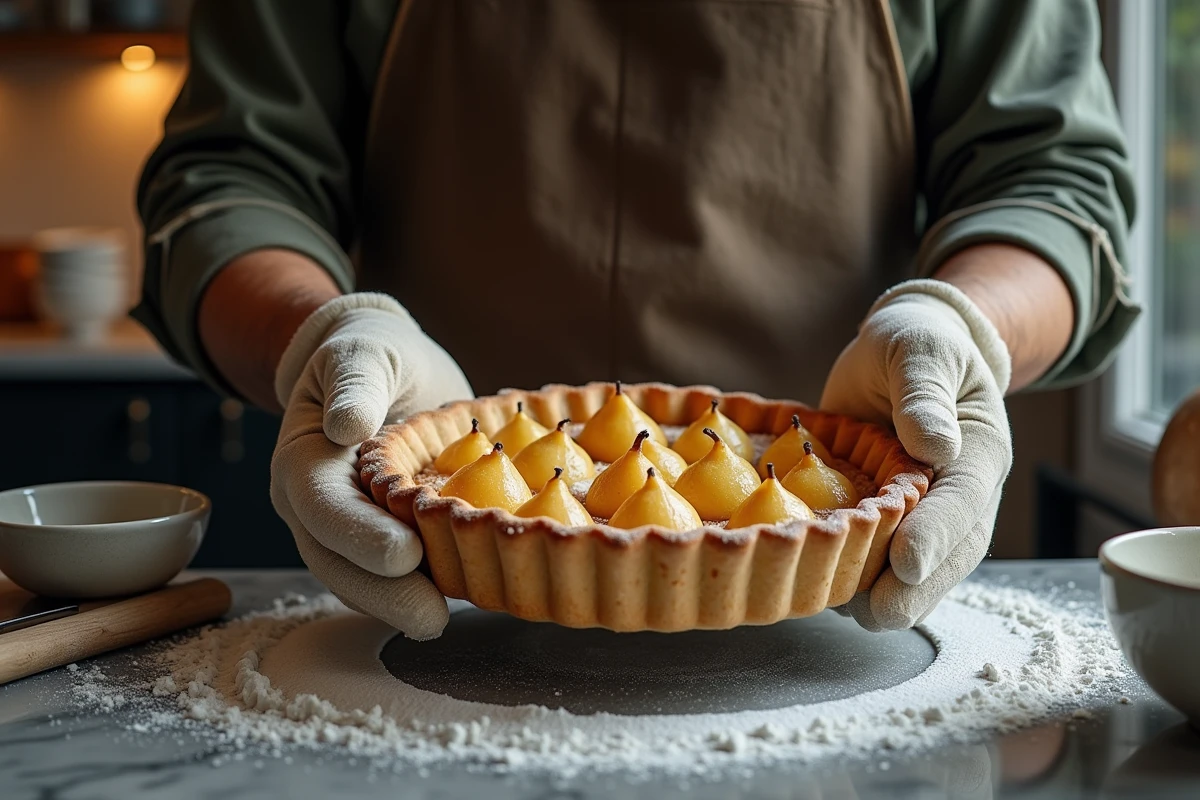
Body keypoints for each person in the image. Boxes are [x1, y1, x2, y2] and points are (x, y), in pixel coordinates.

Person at [135, 0, 1137, 640]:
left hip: (837, 605)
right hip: (425, 584)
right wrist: (321, 338)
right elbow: (228, 178)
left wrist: (956, 328)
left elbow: (1052, 181)